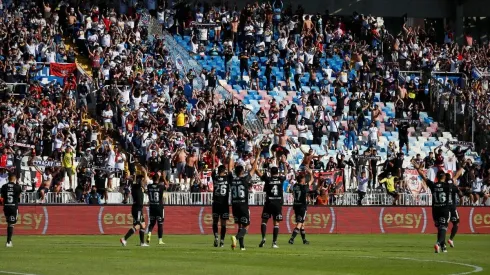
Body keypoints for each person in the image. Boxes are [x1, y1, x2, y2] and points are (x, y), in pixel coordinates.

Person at [414, 163, 459, 253]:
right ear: (444, 178)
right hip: (445, 209)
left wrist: (418, 169)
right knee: (444, 227)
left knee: (440, 228)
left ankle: (443, 246)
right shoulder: (447, 186)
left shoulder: (433, 185)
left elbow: (424, 177)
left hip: (435, 210)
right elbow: (455, 178)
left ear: (437, 177)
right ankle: (438, 243)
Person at [229, 146, 259, 251]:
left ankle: (242, 246)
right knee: (246, 226)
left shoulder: (232, 179)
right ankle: (236, 238)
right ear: (242, 171)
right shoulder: (245, 179)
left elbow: (229, 168)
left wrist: (231, 154)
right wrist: (258, 153)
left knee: (240, 226)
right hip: (243, 205)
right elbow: (254, 168)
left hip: (234, 205)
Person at [256, 165, 285, 248]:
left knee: (264, 221)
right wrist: (284, 165)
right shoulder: (281, 179)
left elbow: (258, 173)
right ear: (277, 172)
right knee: (276, 223)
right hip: (277, 203)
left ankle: (263, 238)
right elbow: (285, 174)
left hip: (269, 202)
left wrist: (255, 166)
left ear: (271, 172)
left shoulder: (268, 179)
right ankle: (274, 243)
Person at [120, 167, 149, 247]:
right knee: (138, 225)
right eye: (142, 180)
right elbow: (144, 182)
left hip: (138, 208)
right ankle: (124, 239)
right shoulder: (137, 186)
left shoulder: (136, 187)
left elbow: (144, 185)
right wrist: (145, 172)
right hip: (137, 209)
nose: (143, 181)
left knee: (142, 224)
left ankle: (142, 243)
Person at [288, 168, 314, 245]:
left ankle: (304, 240)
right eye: (304, 179)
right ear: (302, 180)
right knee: (300, 223)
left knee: (302, 224)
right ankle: (292, 238)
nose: (305, 180)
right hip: (302, 206)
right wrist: (310, 173)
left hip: (296, 205)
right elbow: (312, 180)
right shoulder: (304, 187)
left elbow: (292, 191)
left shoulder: (295, 185)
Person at [211, 146, 230, 248]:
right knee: (223, 224)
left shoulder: (215, 177)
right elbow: (229, 168)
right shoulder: (227, 178)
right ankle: (222, 240)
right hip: (224, 203)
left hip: (216, 202)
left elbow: (213, 166)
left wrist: (213, 154)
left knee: (215, 221)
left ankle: (216, 237)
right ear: (224, 171)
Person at [0, 173, 21, 247]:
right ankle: (8, 242)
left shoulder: (4, 186)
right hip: (13, 207)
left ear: (8, 178)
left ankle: (9, 241)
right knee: (11, 224)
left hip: (6, 206)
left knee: (9, 223)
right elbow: (19, 197)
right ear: (14, 179)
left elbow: (2, 197)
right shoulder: (17, 187)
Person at [146, 173, 166, 245]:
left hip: (152, 207)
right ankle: (160, 240)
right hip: (159, 207)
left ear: (153, 179)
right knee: (160, 224)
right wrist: (163, 178)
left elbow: (147, 192)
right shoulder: (161, 186)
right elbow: (167, 186)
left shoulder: (149, 186)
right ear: (158, 179)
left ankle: (149, 233)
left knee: (151, 223)